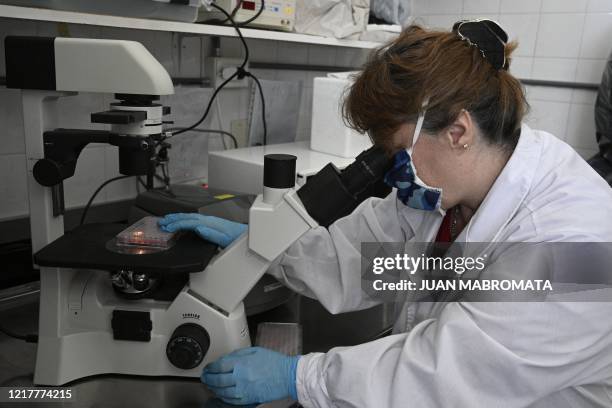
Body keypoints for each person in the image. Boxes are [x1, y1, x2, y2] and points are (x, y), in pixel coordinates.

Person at [159, 21, 612, 407]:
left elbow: (450, 377)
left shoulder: (569, 243)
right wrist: (260, 246)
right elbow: (356, 263)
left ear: (458, 131)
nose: (392, 171)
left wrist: (300, 376)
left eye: (396, 152)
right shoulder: (444, 193)